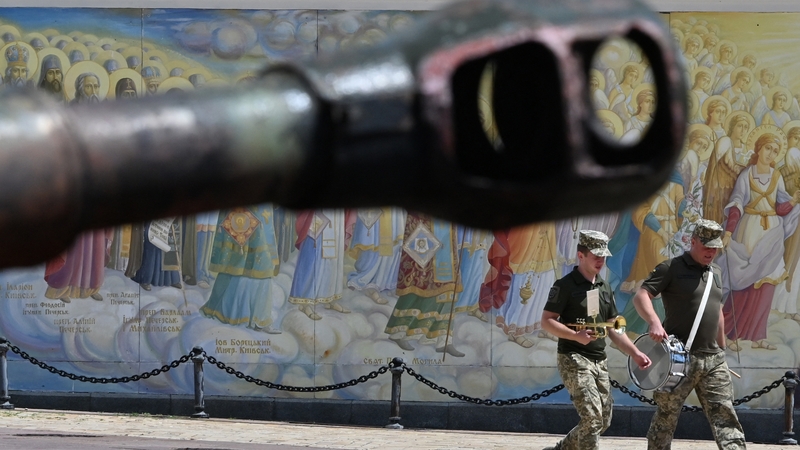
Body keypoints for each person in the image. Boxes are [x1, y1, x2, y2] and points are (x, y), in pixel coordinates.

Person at [632, 219, 746, 450]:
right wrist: (654, 323)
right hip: (679, 358)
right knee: (666, 418)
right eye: (706, 247)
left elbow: (717, 311)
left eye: (715, 248)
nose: (711, 252)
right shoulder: (670, 268)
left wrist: (721, 348)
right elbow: (641, 296)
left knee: (726, 417)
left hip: (713, 359)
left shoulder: (716, 271)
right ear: (692, 242)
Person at [541, 230, 650, 450]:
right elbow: (547, 321)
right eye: (596, 255)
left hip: (599, 360)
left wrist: (635, 353)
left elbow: (614, 328)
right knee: (591, 418)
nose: (601, 261)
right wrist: (575, 336)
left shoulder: (604, 288)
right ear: (581, 255)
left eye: (603, 256)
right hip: (573, 358)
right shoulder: (565, 286)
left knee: (603, 420)